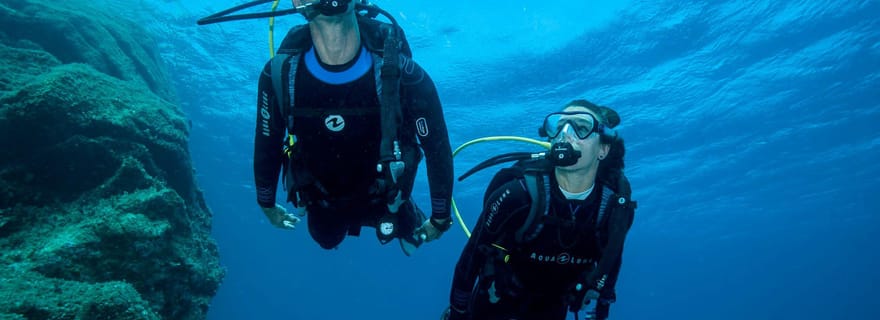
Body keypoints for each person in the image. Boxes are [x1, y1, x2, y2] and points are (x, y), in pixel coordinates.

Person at [253, 0, 454, 255]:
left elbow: (436, 147)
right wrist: (266, 201)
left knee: (404, 225)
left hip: (384, 194)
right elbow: (267, 142)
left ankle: (404, 218)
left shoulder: (404, 74)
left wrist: (440, 215)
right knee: (325, 238)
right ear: (297, 2)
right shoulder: (280, 74)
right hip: (321, 193)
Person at [442, 100, 636, 319]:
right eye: (558, 126)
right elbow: (472, 256)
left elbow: (612, 257)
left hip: (553, 304)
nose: (565, 134)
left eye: (581, 128)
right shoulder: (518, 195)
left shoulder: (614, 208)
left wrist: (602, 308)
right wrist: (458, 312)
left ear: (603, 149)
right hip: (499, 295)